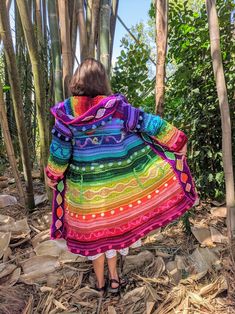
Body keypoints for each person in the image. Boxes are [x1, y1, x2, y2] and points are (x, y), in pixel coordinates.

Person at [46, 58, 197, 295]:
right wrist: (177, 139)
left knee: (96, 237)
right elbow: (150, 123)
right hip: (116, 190)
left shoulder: (65, 114)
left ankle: (99, 283)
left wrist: (53, 175)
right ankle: (115, 279)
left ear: (77, 80)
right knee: (113, 233)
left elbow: (60, 152)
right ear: (102, 81)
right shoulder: (117, 108)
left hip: (84, 192)